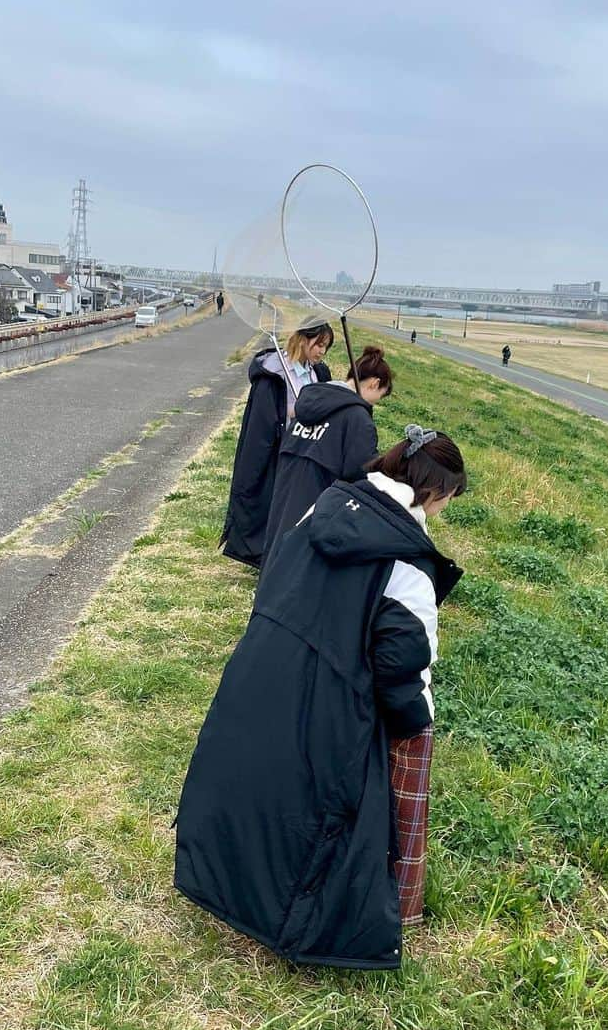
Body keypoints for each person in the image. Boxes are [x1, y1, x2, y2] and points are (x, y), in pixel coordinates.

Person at [175, 425, 466, 969]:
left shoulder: (326, 504)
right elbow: (403, 671)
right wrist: (415, 723)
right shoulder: (409, 566)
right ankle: (302, 923)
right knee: (322, 810)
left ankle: (218, 872)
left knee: (254, 778)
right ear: (435, 494)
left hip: (261, 667)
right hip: (329, 705)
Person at [262, 345, 393, 563]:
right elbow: (360, 471)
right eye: (380, 395)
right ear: (374, 383)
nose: (375, 403)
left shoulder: (312, 399)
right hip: (318, 499)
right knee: (300, 557)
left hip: (285, 485)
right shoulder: (357, 418)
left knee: (280, 545)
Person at [220, 319, 334, 568]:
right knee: (271, 504)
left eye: (326, 347)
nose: (322, 352)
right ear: (303, 339)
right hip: (277, 452)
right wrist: (296, 412)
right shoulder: (274, 374)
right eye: (319, 345)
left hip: (304, 451)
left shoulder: (318, 373)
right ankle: (264, 556)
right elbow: (267, 419)